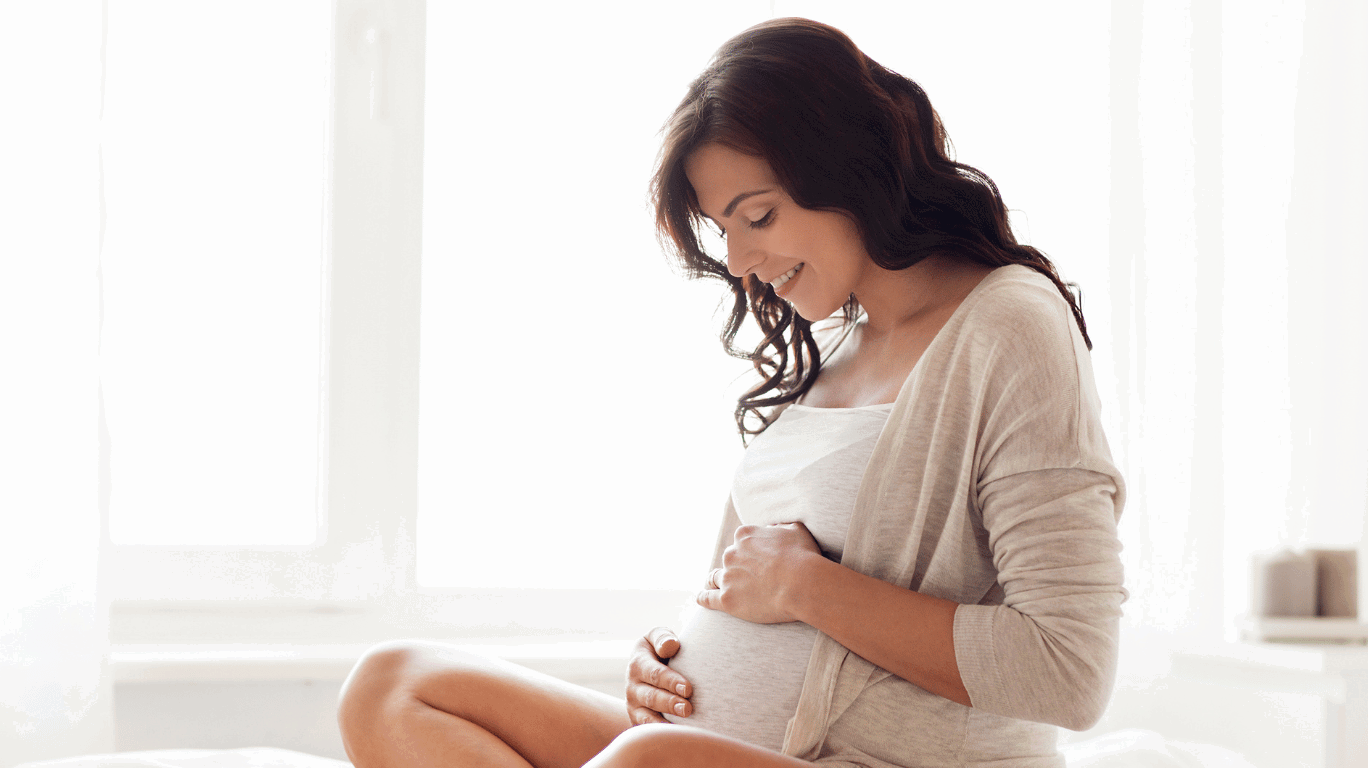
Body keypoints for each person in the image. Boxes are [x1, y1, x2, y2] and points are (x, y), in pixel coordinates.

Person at [336, 16, 1125, 768]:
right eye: (726, 229)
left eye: (760, 216)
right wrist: (668, 661)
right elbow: (739, 591)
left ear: (850, 167)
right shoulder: (835, 350)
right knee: (393, 685)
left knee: (649, 759)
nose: (742, 260)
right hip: (697, 747)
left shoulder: (1008, 325)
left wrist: (811, 588)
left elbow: (1069, 669)